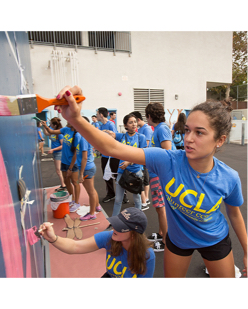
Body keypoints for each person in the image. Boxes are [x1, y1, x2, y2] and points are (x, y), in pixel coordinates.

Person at [54, 86, 247, 278]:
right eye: (187, 130)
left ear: (220, 140)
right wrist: (75, 119)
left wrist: (246, 252)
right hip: (179, 240)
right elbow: (111, 147)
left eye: (199, 133)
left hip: (214, 239)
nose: (188, 138)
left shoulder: (228, 177)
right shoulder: (167, 160)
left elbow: (235, 214)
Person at [39, 207, 155, 278]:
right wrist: (53, 238)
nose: (114, 228)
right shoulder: (109, 237)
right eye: (116, 223)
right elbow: (75, 246)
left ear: (133, 235)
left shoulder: (147, 256)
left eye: (120, 227)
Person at [107, 113, 147, 217]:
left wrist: (129, 162)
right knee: (118, 200)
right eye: (130, 122)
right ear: (125, 125)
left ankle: (138, 218)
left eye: (135, 122)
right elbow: (111, 135)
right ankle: (114, 221)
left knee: (137, 199)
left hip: (136, 172)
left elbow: (143, 155)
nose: (134, 124)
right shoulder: (122, 136)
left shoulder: (141, 137)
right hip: (122, 172)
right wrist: (103, 132)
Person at [144, 102, 171, 250]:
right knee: (159, 208)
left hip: (159, 176)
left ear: (149, 116)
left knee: (161, 208)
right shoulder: (158, 129)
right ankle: (162, 233)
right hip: (156, 174)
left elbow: (167, 152)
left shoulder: (162, 129)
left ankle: (166, 241)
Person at [41, 120, 79, 211]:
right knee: (66, 182)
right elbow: (52, 132)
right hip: (64, 161)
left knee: (75, 182)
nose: (67, 120)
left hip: (73, 163)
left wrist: (70, 168)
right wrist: (46, 126)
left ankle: (77, 202)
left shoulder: (77, 135)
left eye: (69, 119)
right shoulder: (66, 129)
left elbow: (76, 154)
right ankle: (72, 198)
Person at [72, 116, 100, 220]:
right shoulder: (83, 135)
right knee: (92, 189)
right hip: (89, 166)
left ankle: (92, 213)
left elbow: (84, 157)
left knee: (90, 192)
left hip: (87, 168)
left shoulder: (83, 137)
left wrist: (81, 174)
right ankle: (97, 206)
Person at [96, 107, 122, 204]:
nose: (97, 116)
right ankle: (111, 194)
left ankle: (123, 195)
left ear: (101, 115)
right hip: (105, 156)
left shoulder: (111, 125)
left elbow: (115, 138)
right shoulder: (101, 126)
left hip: (113, 156)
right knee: (107, 176)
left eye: (97, 114)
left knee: (117, 175)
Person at [133, 111, 153, 208]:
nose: (133, 124)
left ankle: (145, 200)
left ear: (138, 120)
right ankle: (145, 199)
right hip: (141, 157)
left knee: (143, 180)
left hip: (144, 157)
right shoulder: (140, 129)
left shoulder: (147, 129)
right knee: (144, 179)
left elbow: (146, 145)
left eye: (134, 121)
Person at [46, 117, 67, 190]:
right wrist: (45, 125)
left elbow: (62, 145)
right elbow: (46, 133)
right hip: (55, 153)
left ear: (55, 125)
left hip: (59, 153)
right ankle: (63, 184)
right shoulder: (53, 132)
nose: (50, 125)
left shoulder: (59, 134)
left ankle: (63, 185)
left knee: (59, 170)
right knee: (58, 170)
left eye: (51, 124)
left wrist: (53, 149)